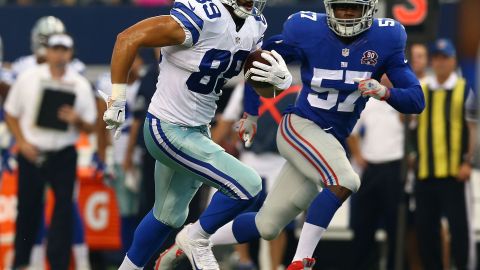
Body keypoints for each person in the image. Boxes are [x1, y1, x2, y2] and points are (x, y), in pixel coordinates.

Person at [157, 0, 425, 269]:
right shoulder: (307, 29)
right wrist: (251, 114)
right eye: (341, 6)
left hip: (328, 141)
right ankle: (301, 261)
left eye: (353, 8)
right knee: (345, 180)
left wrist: (385, 92)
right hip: (299, 126)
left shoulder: (386, 38)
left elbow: (416, 100)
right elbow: (260, 61)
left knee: (267, 225)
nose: (346, 13)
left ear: (369, 10)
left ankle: (193, 237)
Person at [100, 0, 293, 268]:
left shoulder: (255, 24)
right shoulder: (203, 16)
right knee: (249, 185)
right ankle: (197, 238)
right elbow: (128, 37)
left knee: (167, 217)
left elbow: (254, 76)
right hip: (167, 129)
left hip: (197, 130)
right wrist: (118, 99)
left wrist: (273, 86)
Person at [4, 33, 97, 270]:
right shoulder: (29, 78)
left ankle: (58, 265)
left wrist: (76, 119)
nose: (59, 54)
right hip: (32, 152)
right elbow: (11, 112)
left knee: (63, 211)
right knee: (27, 209)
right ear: (47, 51)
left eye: (63, 49)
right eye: (55, 49)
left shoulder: (79, 84)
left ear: (70, 53)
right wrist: (22, 142)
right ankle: (22, 263)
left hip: (63, 153)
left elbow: (91, 124)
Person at [414, 38, 477, 270]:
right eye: (437, 58)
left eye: (445, 58)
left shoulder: (464, 88)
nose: (440, 63)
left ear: (454, 61)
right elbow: (409, 127)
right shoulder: (421, 89)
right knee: (425, 232)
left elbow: (472, 129)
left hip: (454, 173)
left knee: (459, 230)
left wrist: (467, 161)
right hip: (425, 174)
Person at [347, 75, 404, 270]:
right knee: (363, 225)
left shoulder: (401, 100)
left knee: (394, 227)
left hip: (395, 167)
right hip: (370, 169)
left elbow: (412, 126)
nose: (388, 77)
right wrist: (358, 155)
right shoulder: (368, 101)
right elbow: (352, 131)